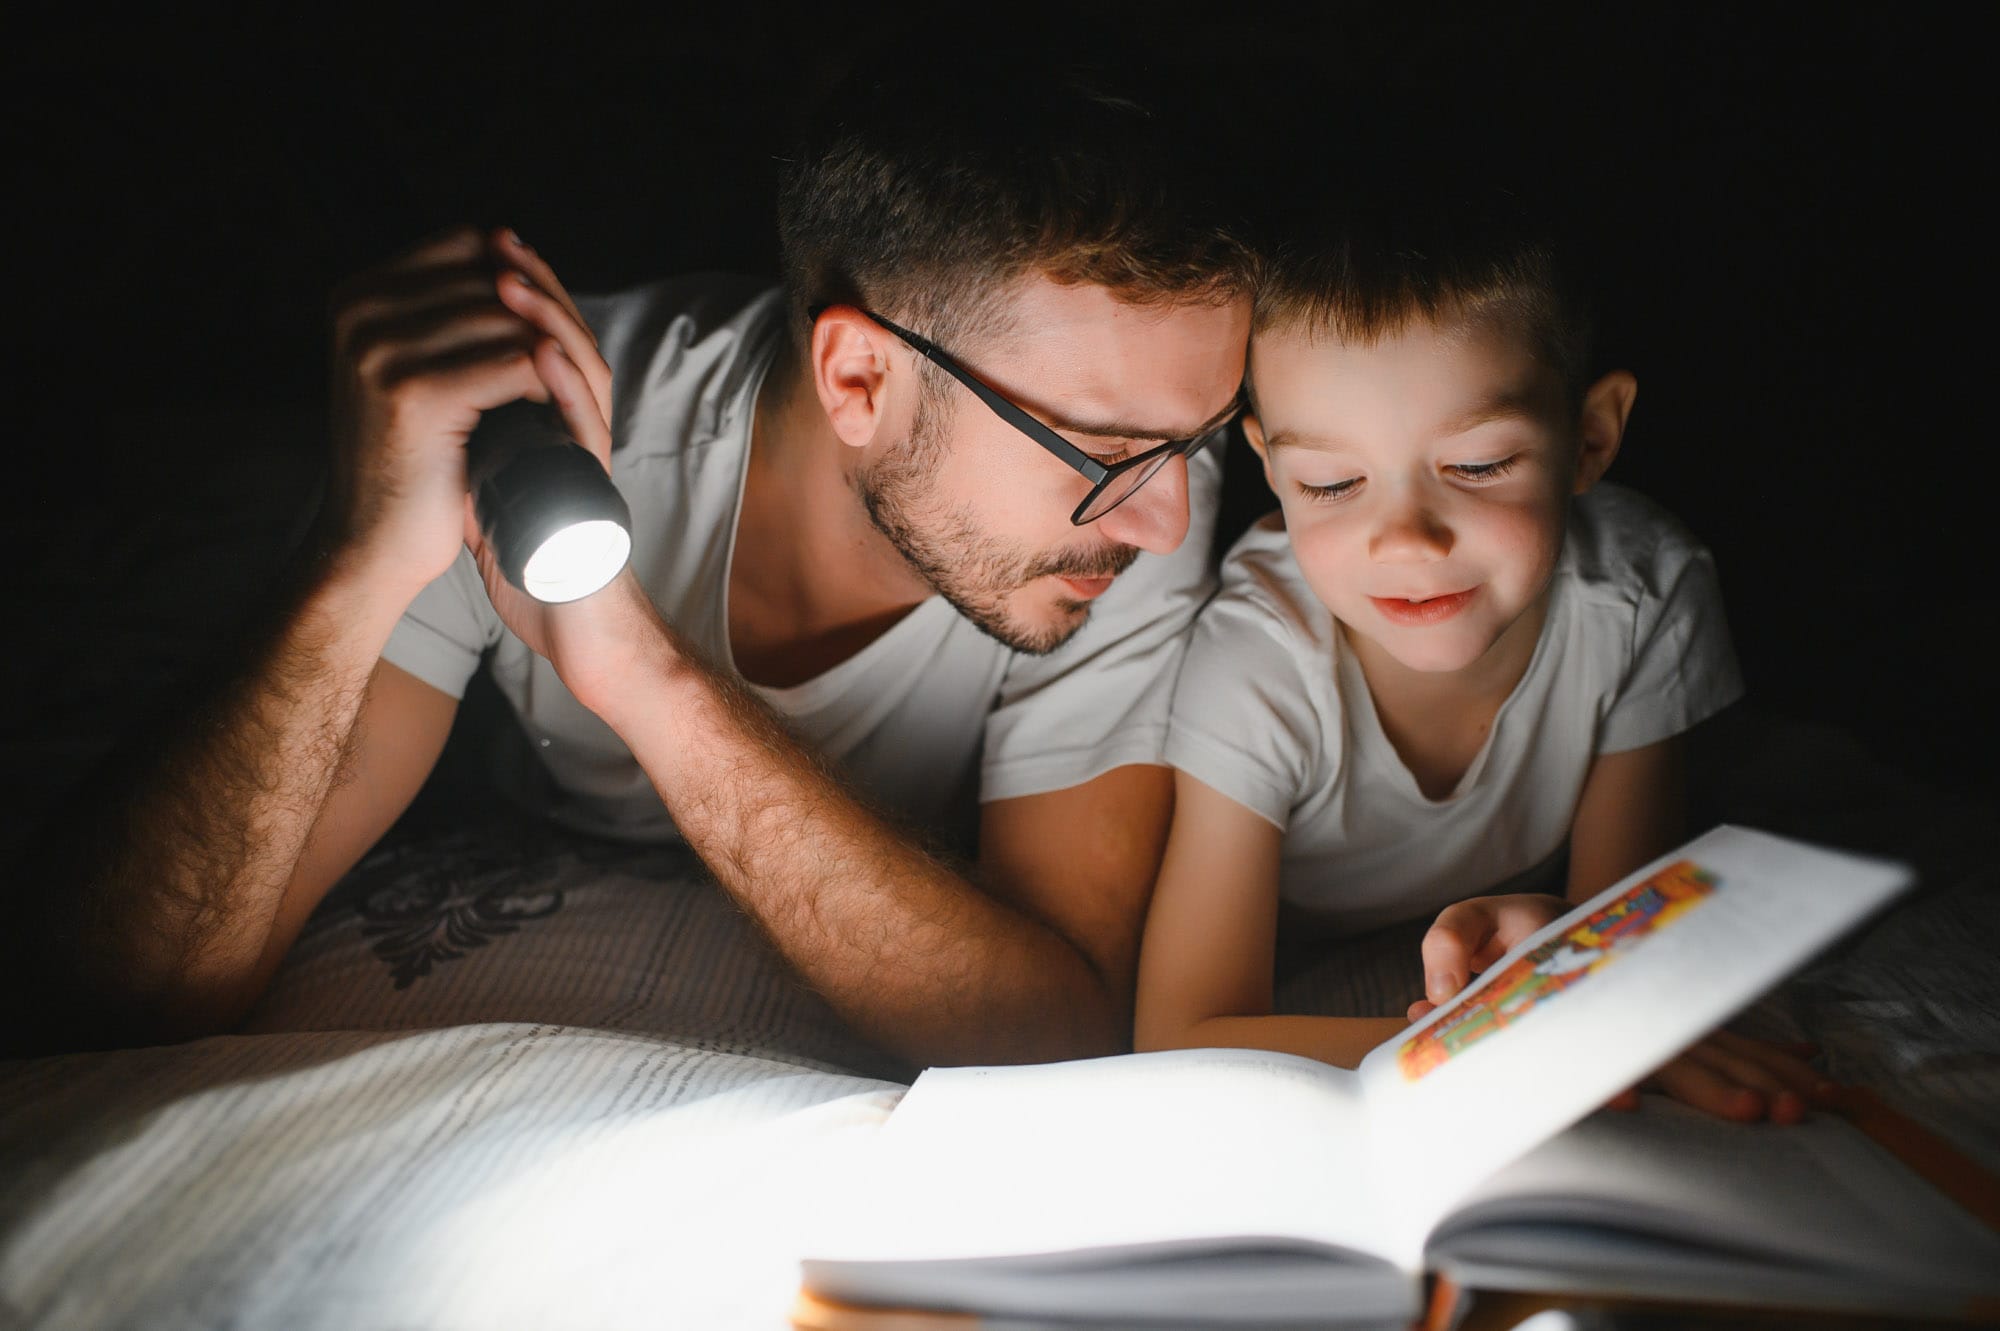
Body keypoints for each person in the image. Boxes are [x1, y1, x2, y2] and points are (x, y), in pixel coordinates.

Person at [11, 63, 1253, 1065]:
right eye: (1104, 452)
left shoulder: (1137, 508)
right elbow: (115, 1002)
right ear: (859, 378)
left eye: (1198, 440)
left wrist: (649, 681)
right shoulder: (524, 439)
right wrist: (355, 567)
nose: (1162, 519)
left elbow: (1052, 1028)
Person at [1134, 181, 1828, 1121]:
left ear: (1589, 438)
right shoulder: (1261, 662)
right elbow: (1182, 1030)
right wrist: (1519, 1036)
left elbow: (1612, 940)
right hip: (1317, 973)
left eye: (1479, 465)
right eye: (1333, 482)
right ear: (1271, 470)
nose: (1408, 540)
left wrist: (1589, 990)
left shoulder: (1638, 594)